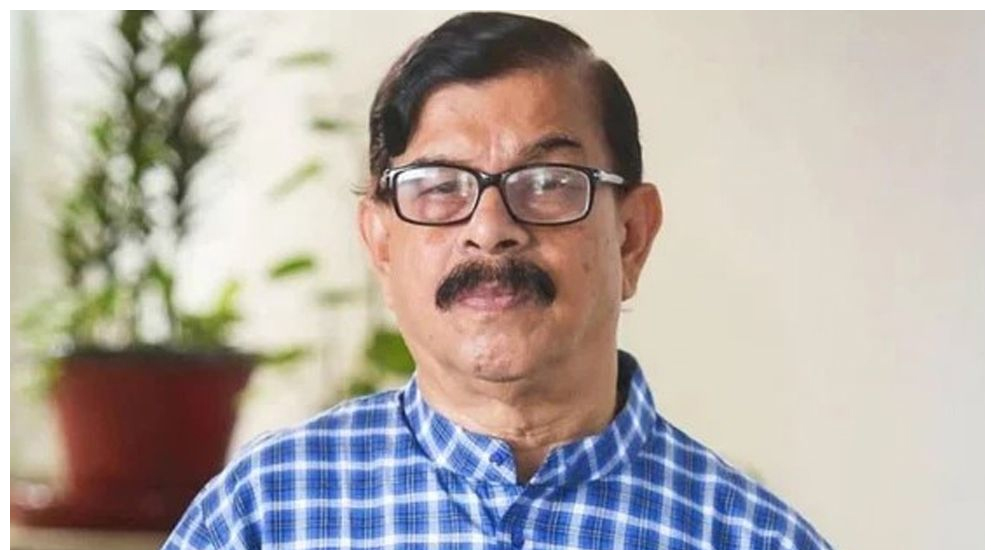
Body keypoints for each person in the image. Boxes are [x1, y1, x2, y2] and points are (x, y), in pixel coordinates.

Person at [164, 12, 830, 550]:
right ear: (381, 243)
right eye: (438, 186)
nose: (489, 229)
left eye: (546, 182)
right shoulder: (262, 518)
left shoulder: (756, 542)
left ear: (631, 235)